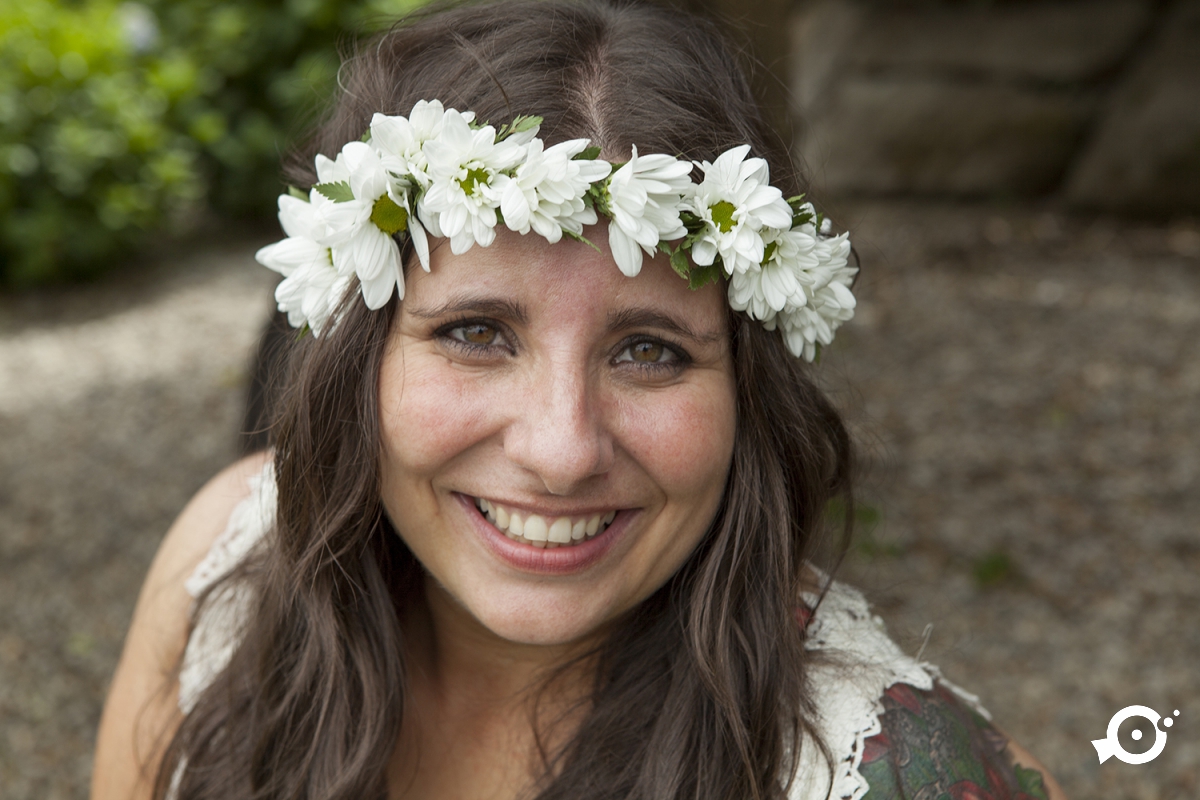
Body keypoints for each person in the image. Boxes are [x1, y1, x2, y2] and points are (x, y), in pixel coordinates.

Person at [91, 2, 1069, 799]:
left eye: (649, 351)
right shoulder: (228, 569)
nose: (561, 451)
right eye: (477, 333)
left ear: (748, 388)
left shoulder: (896, 773)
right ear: (359, 352)